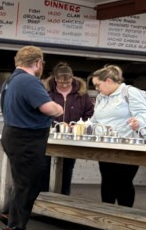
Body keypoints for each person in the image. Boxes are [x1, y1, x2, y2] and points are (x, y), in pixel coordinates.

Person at [0, 46, 63, 230]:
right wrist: (59, 107)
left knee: (23, 181)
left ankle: (9, 214)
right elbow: (49, 108)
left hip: (12, 134)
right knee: (29, 184)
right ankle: (15, 229)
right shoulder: (29, 81)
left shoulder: (11, 80)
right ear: (38, 63)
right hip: (27, 139)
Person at [90, 64, 146, 207]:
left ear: (108, 81)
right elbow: (95, 119)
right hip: (105, 145)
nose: (97, 89)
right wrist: (82, 126)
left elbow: (143, 112)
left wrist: (138, 121)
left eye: (98, 85)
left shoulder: (130, 92)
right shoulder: (101, 97)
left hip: (128, 146)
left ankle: (125, 218)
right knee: (107, 182)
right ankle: (105, 218)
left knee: (123, 183)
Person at [40, 62, 94, 195]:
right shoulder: (45, 92)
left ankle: (64, 198)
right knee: (45, 169)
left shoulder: (82, 94)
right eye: (60, 82)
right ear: (54, 79)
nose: (64, 85)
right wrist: (56, 124)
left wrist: (78, 125)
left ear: (72, 78)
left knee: (67, 170)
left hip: (71, 139)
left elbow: (90, 115)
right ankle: (44, 198)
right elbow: (39, 112)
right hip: (49, 138)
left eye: (67, 82)